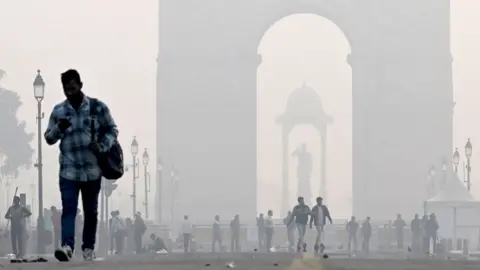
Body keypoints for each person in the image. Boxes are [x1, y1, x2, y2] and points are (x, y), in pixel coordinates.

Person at [44, 69, 119, 261]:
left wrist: (102, 146)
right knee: (68, 208)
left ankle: (88, 248)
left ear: (80, 85)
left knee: (90, 211)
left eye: (73, 88)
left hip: (92, 170)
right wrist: (59, 128)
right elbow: (49, 138)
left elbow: (112, 130)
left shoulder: (97, 108)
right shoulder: (59, 111)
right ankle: (67, 246)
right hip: (68, 170)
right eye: (66, 90)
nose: (70, 93)